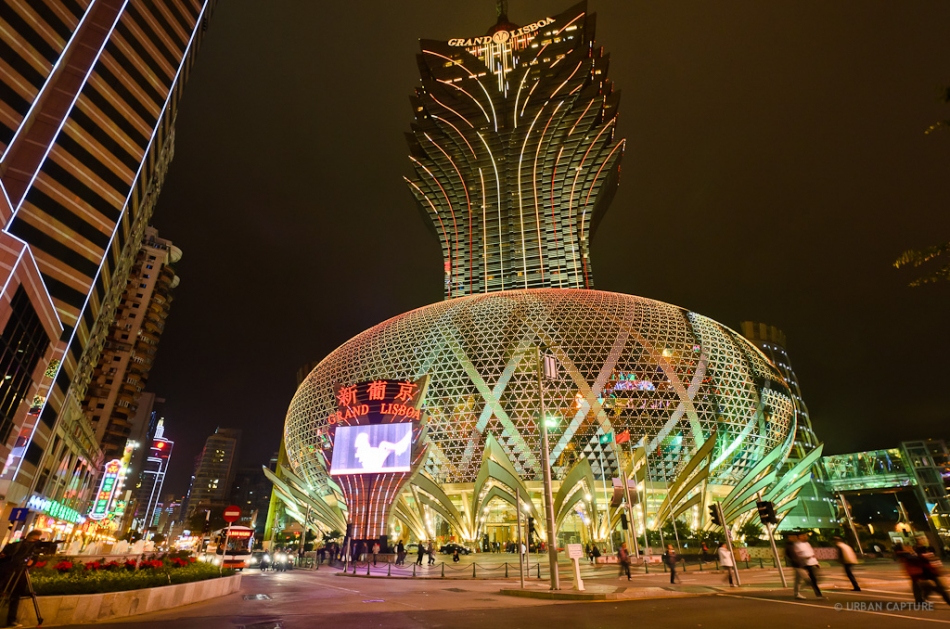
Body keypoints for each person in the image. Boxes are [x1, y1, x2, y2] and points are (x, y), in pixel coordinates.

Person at [0, 530, 45, 628]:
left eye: (37, 541)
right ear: (28, 538)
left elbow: (31, 563)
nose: (35, 543)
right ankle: (10, 620)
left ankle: (11, 620)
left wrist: (30, 561)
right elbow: (3, 556)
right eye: (34, 540)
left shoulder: (33, 551)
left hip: (20, 576)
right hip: (8, 574)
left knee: (15, 597)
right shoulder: (16, 546)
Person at [791, 533, 822, 599]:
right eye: (804, 536)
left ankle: (817, 593)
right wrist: (805, 557)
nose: (806, 537)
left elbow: (812, 553)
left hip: (811, 563)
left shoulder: (807, 544)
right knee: (808, 579)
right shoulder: (796, 545)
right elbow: (798, 554)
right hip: (803, 564)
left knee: (812, 579)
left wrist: (816, 562)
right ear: (799, 537)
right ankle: (818, 594)